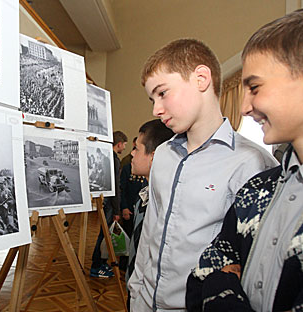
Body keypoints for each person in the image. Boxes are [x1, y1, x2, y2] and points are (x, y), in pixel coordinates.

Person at [128, 38, 277, 311]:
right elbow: (150, 230)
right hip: (144, 302)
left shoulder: (252, 163)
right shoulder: (162, 155)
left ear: (201, 79)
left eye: (162, 93)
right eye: (152, 99)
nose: (155, 110)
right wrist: (135, 289)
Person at [186, 9, 303, 311]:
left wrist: (222, 289)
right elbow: (203, 273)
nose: (245, 107)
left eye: (255, 87)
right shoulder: (257, 190)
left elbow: (214, 281)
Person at [124, 120, 174, 302]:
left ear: (153, 156)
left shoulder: (165, 204)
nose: (131, 153)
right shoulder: (143, 197)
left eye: (137, 148)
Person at [90, 130, 127, 278]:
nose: (124, 147)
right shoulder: (114, 160)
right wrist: (117, 210)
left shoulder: (106, 158)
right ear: (119, 144)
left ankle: (100, 262)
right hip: (110, 204)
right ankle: (96, 265)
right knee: (104, 235)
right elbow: (115, 187)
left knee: (104, 234)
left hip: (103, 201)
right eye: (124, 144)